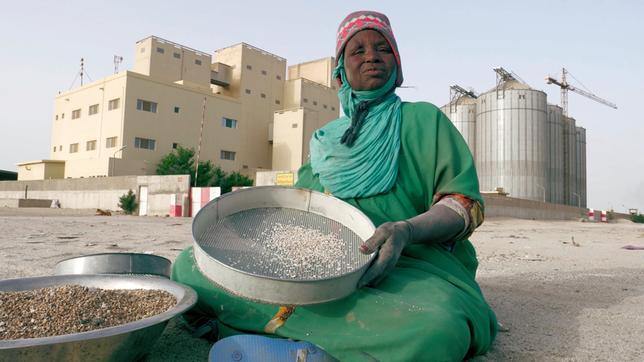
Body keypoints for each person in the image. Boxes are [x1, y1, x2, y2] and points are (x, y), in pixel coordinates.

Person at [172, 10, 497, 361]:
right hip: (325, 275)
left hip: (409, 268)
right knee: (190, 267)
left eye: (382, 49)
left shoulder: (424, 120)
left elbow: (463, 206)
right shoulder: (326, 142)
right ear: (341, 72)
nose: (371, 55)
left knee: (437, 327)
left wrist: (406, 231)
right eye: (357, 50)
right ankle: (314, 346)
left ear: (397, 64)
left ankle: (259, 335)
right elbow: (298, 212)